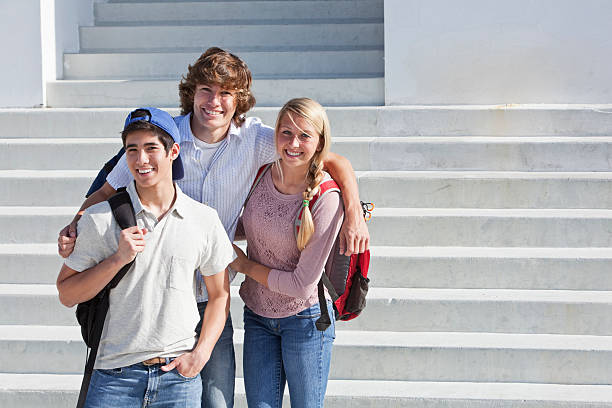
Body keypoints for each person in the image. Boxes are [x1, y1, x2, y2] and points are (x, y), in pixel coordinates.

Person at [57, 47, 369, 407]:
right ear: (192, 93)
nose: (214, 102)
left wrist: (354, 211)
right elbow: (106, 191)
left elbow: (328, 157)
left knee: (218, 401)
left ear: (240, 101)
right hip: (157, 293)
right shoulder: (163, 139)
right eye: (206, 90)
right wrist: (75, 226)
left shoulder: (255, 140)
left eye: (226, 93)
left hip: (210, 293)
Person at [56, 107, 234, 408]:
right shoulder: (100, 218)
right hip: (114, 377)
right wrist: (116, 260)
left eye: (151, 148)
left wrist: (199, 355)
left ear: (173, 151)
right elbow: (66, 293)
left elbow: (219, 295)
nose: (141, 160)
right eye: (132, 150)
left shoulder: (203, 219)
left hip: (178, 380)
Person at [230, 98, 342, 408]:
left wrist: (243, 264)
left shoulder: (326, 198)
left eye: (305, 135)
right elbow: (251, 225)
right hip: (257, 314)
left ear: (320, 142)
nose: (293, 143)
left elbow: (301, 285)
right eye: (285, 132)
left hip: (305, 319)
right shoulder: (261, 172)